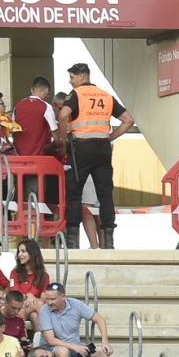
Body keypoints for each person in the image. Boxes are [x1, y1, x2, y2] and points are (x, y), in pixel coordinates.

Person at [60, 63, 131, 249]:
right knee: (105, 194)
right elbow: (128, 120)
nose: (70, 81)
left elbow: (63, 114)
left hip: (81, 147)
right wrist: (109, 138)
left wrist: (63, 138)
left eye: (72, 77)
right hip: (103, 149)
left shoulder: (77, 94)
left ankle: (73, 243)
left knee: (75, 194)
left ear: (82, 76)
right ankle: (109, 243)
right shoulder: (106, 96)